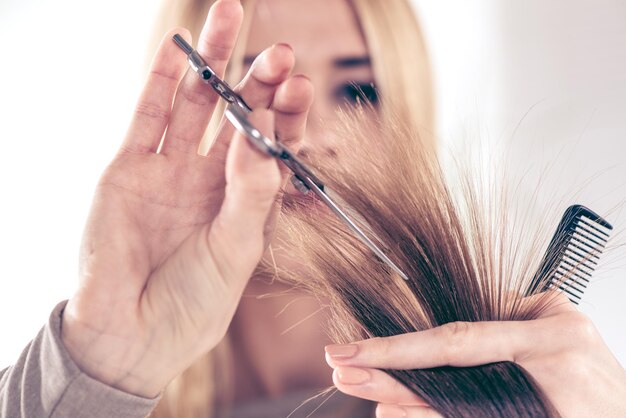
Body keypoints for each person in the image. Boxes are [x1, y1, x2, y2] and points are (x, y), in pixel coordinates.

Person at [0, 0, 624, 417]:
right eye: (257, 92)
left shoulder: (479, 387)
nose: (315, 133)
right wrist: (100, 365)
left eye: (359, 90)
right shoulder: (76, 381)